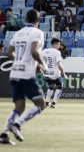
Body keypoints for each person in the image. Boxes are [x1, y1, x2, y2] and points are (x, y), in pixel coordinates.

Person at [0, 9, 47, 144]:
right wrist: (42, 64)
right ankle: (17, 125)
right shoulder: (37, 33)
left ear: (26, 20)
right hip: (26, 74)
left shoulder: (18, 33)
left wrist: (19, 61)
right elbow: (34, 51)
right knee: (41, 103)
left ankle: (3, 135)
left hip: (15, 72)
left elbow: (9, 52)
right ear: (38, 20)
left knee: (19, 107)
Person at [41, 38, 68, 109]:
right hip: (55, 74)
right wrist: (64, 74)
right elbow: (59, 65)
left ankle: (46, 102)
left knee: (52, 85)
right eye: (59, 44)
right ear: (55, 44)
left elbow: (40, 62)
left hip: (46, 73)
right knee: (60, 85)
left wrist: (41, 69)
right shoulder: (57, 52)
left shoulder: (43, 51)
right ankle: (54, 103)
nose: (59, 46)